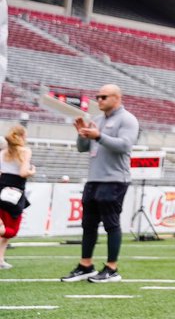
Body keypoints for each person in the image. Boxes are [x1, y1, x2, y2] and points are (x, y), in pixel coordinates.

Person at [61, 84, 139, 284]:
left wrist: (99, 136)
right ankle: (85, 265)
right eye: (97, 97)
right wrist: (82, 136)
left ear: (117, 98)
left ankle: (112, 268)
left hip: (114, 179)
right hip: (94, 179)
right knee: (88, 224)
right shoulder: (96, 120)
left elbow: (124, 145)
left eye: (104, 97)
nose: (99, 100)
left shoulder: (127, 119)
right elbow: (83, 148)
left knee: (111, 224)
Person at [0, 125, 36, 269]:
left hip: (1, 190)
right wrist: (32, 171)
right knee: (12, 230)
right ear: (21, 137)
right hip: (15, 193)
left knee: (5, 232)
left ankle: (0, 260)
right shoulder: (25, 151)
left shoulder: (2, 152)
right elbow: (22, 172)